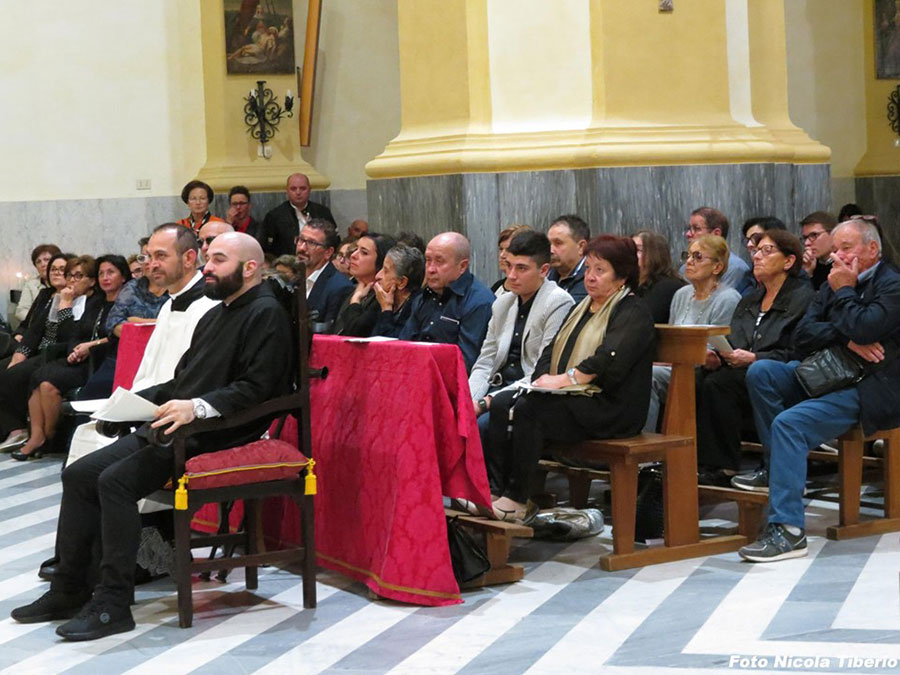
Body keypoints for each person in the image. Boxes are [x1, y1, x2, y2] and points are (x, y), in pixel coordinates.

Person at [10, 232, 291, 641]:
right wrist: (124, 408)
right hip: (182, 424)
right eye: (208, 259)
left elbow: (259, 388)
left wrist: (195, 407)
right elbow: (181, 381)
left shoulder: (265, 312)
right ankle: (69, 588)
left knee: (115, 482)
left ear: (250, 268)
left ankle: (112, 604)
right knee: (79, 474)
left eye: (218, 260)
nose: (208, 268)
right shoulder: (218, 314)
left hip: (221, 431)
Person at [738, 218, 900, 562]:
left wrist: (844, 293)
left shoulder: (891, 285)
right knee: (763, 370)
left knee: (789, 424)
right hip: (825, 372)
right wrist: (848, 338)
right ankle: (775, 466)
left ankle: (789, 531)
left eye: (846, 248)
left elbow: (867, 325)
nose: (837, 256)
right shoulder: (832, 281)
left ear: (872, 249)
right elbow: (803, 335)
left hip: (871, 385)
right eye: (836, 248)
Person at [488, 235, 655, 522]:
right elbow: (552, 349)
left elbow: (607, 359)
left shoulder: (632, 310)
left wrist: (564, 380)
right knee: (504, 403)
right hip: (577, 399)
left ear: (622, 275)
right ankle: (494, 492)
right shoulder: (582, 307)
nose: (590, 278)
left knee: (531, 411)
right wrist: (540, 379)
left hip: (612, 406)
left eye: (599, 270)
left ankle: (517, 499)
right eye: (588, 269)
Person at [694, 231, 813, 486]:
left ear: (789, 261)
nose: (757, 256)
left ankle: (768, 467)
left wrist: (756, 357)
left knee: (724, 383)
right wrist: (720, 356)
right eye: (757, 251)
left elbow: (800, 349)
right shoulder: (750, 299)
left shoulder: (803, 297)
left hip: (785, 371)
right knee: (704, 377)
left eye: (767, 251)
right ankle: (713, 463)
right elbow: (736, 340)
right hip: (744, 369)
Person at [468, 231, 574, 467]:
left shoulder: (558, 301)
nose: (512, 276)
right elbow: (485, 360)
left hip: (529, 392)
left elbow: (541, 370)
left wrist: (485, 402)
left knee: (481, 425)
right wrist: (470, 399)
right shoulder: (503, 302)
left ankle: (491, 492)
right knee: (455, 417)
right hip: (496, 385)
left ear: (544, 270)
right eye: (508, 266)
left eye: (522, 268)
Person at [12, 255, 131, 461]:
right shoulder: (96, 303)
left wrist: (88, 344)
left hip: (101, 359)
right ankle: (37, 436)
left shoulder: (124, 303)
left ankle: (49, 438)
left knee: (49, 384)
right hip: (78, 356)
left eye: (110, 273)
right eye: (101, 273)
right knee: (39, 376)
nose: (105, 278)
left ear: (123, 277)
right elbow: (73, 333)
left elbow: (114, 337)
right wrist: (74, 349)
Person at [0, 256, 104, 450]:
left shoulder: (94, 302)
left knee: (15, 376)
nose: (72, 280)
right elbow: (35, 330)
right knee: (6, 369)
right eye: (70, 275)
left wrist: (65, 305)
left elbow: (68, 338)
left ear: (91, 281)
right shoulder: (55, 297)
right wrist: (20, 354)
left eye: (78, 276)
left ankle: (29, 432)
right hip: (46, 351)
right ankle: (14, 429)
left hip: (62, 354)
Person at [646, 235, 741, 432]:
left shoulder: (728, 298)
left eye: (697, 257)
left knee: (648, 375)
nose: (689, 262)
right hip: (675, 364)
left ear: (717, 267)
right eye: (687, 255)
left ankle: (647, 451)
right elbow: (671, 338)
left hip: (700, 370)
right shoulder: (681, 294)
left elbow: (714, 350)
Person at [399, 232, 494, 372]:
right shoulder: (423, 296)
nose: (430, 269)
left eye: (439, 261)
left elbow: (465, 362)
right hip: (415, 374)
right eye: (428, 260)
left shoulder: (479, 301)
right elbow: (404, 345)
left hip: (451, 381)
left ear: (462, 266)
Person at [333, 233, 396, 336]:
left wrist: (355, 300)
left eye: (364, 253)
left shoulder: (382, 296)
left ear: (381, 260)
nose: (353, 255)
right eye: (356, 249)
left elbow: (356, 332)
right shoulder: (353, 287)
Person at [680, 207, 754, 295]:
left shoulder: (735, 268)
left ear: (716, 234)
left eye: (696, 229)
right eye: (689, 229)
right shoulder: (684, 268)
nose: (688, 234)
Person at [296, 218, 353, 330]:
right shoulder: (294, 280)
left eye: (311, 243)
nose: (302, 248)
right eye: (301, 240)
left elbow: (330, 335)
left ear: (328, 252)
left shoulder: (340, 287)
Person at [260, 173, 336, 256]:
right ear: (287, 191)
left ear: (309, 190)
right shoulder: (275, 216)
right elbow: (267, 248)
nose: (298, 192)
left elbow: (334, 240)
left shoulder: (322, 212)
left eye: (303, 188)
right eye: (293, 189)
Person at [632, 229, 685, 323]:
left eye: (638, 250)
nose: (630, 254)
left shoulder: (667, 286)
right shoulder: (630, 285)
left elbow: (643, 320)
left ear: (655, 254)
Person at [372, 244, 425, 337]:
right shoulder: (382, 298)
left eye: (385, 271)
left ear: (402, 282)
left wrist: (386, 310)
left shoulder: (418, 307)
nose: (377, 276)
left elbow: (393, 346)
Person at [547, 215, 590, 303]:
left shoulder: (591, 280)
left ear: (581, 247)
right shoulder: (545, 275)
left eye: (558, 243)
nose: (550, 250)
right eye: (548, 244)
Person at [15, 244, 62, 325]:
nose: (43, 264)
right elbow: (21, 311)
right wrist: (38, 322)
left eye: (46, 259)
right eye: (38, 262)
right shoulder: (31, 284)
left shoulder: (66, 283)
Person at [799, 210, 838, 290]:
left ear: (833, 234)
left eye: (814, 235)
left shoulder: (845, 264)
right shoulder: (809, 265)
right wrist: (807, 273)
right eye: (805, 238)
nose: (807, 243)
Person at [491, 224, 531, 295]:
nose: (502, 255)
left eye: (508, 249)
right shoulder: (497, 287)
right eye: (501, 249)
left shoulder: (528, 291)